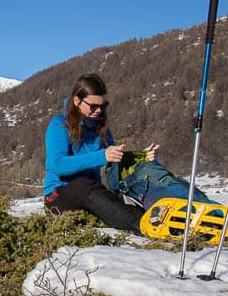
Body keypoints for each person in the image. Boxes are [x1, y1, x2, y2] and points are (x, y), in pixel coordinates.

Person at [43, 73, 159, 232]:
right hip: (58, 196)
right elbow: (57, 165)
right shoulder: (59, 125)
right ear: (77, 101)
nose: (99, 110)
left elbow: (114, 157)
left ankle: (155, 217)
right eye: (93, 106)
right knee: (83, 185)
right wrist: (101, 156)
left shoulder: (101, 129)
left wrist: (140, 157)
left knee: (112, 194)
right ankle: (143, 224)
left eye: (103, 106)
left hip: (91, 193)